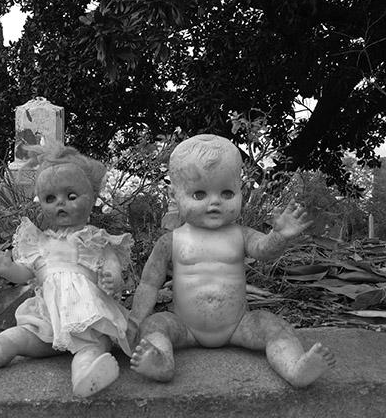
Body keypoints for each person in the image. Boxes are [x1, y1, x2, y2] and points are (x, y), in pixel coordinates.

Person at [0, 143, 133, 398]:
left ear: (93, 196)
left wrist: (113, 277)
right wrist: (8, 268)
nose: (60, 203)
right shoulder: (40, 242)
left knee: (92, 348)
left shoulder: (96, 239)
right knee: (11, 339)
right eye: (50, 198)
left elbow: (111, 264)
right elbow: (26, 274)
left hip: (88, 322)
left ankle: (85, 376)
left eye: (71, 196)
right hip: (46, 325)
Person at [126, 134, 336, 387]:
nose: (215, 202)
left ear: (240, 191)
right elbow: (149, 283)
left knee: (272, 325)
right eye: (199, 194)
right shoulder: (170, 241)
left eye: (227, 193)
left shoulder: (241, 234)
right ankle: (161, 362)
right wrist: (137, 318)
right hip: (184, 327)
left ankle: (294, 367)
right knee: (154, 325)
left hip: (239, 325)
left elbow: (264, 250)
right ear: (174, 195)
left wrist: (279, 236)